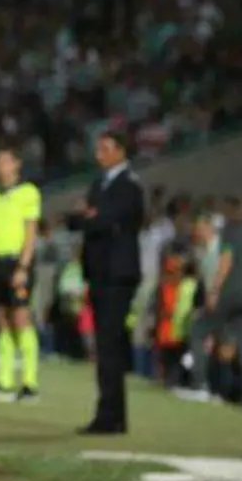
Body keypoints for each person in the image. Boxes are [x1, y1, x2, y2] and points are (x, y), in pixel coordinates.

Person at [67, 131, 145, 435]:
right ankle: (113, 414)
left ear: (121, 152)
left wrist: (91, 216)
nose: (99, 154)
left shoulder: (129, 186)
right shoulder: (99, 184)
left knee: (109, 344)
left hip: (117, 274)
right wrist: (90, 216)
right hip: (99, 272)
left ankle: (110, 416)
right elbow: (77, 220)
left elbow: (106, 219)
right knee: (105, 344)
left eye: (105, 149)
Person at [183, 196, 242, 407]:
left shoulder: (230, 231)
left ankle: (199, 385)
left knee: (198, 329)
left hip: (231, 295)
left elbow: (226, 261)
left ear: (231, 210)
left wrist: (214, 291)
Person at [0, 145, 43, 403]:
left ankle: (30, 383)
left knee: (21, 319)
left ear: (17, 164)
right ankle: (5, 381)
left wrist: (23, 267)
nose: (0, 167)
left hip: (17, 262)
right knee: (2, 320)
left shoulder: (28, 192)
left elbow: (30, 232)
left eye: (5, 161)